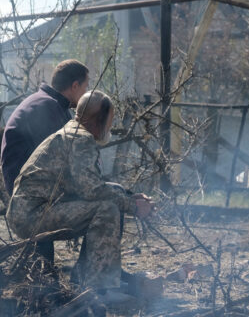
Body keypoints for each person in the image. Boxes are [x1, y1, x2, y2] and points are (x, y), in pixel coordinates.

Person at [6, 90, 154, 291]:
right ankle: (100, 289)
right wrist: (133, 207)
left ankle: (85, 277)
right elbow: (92, 191)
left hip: (32, 210)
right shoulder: (81, 139)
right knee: (106, 210)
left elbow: (87, 186)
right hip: (32, 215)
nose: (111, 125)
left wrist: (127, 196)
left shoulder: (73, 131)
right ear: (97, 119)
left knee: (113, 195)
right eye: (110, 119)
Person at [1, 59, 89, 197]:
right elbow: (64, 160)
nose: (86, 93)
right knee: (106, 207)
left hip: (37, 188)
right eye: (86, 87)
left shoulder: (52, 104)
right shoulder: (47, 107)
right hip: (28, 196)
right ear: (75, 86)